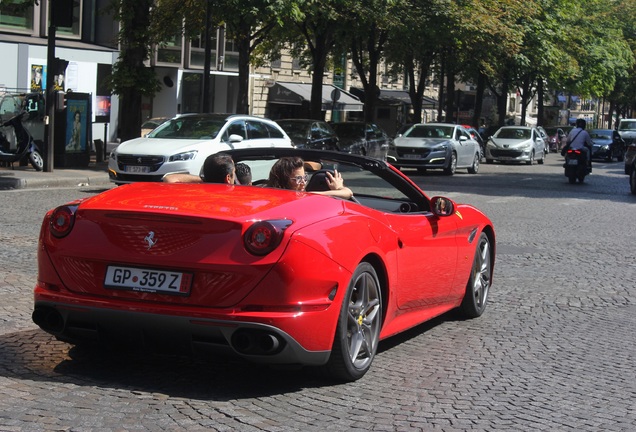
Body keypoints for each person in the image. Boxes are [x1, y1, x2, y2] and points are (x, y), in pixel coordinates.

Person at [267, 156, 353, 199]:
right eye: (298, 179)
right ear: (283, 181)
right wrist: (338, 187)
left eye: (305, 177)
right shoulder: (303, 198)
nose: (303, 182)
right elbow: (348, 193)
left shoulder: (268, 196)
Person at [163, 152, 235, 184]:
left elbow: (169, 178)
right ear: (228, 178)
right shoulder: (235, 196)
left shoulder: (199, 193)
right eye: (234, 172)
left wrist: (207, 179)